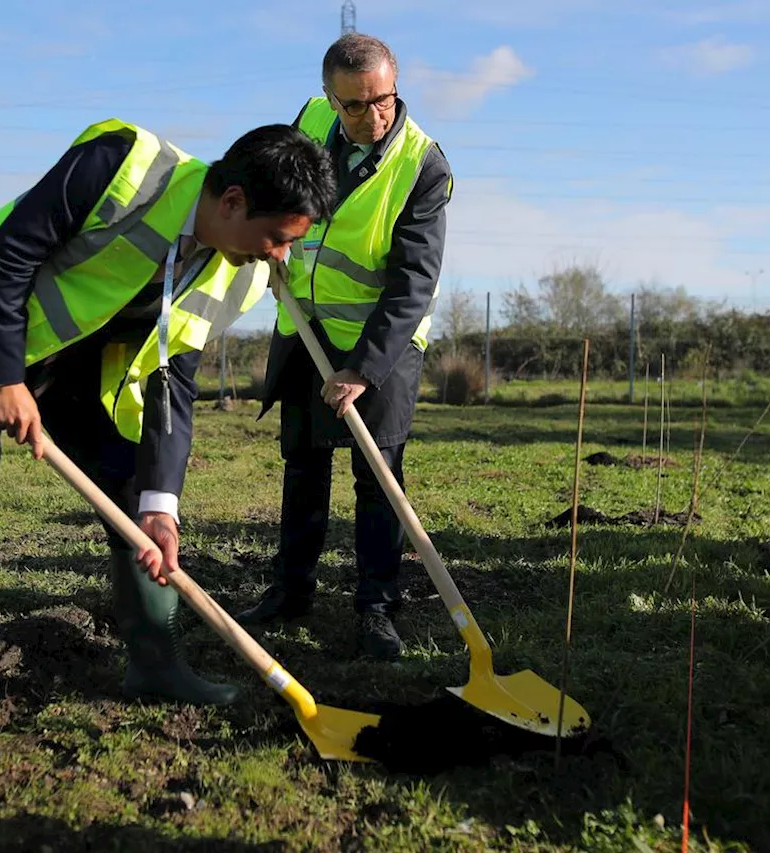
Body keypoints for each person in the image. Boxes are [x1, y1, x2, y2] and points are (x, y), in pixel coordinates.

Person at [0, 119, 335, 779]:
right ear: (232, 202)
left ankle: (155, 664)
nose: (279, 255)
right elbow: (11, 252)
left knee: (132, 485)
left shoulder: (239, 274)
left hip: (84, 364)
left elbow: (174, 382)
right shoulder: (124, 165)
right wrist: (8, 375)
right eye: (278, 238)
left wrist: (162, 505)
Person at [237, 34, 453, 661]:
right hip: (304, 326)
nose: (373, 117)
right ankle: (291, 590)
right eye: (355, 106)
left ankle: (378, 608)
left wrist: (364, 365)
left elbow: (415, 280)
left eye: (383, 100)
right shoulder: (307, 123)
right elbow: (264, 184)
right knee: (303, 464)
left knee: (378, 478)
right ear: (331, 98)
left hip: (380, 341)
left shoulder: (423, 165)